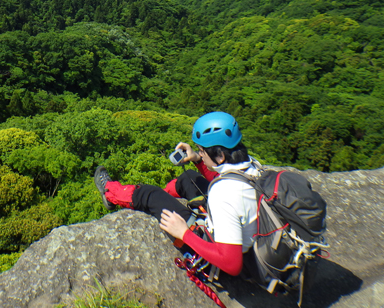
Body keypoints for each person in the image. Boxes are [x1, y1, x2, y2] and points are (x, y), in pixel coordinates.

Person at [94, 111, 261, 277]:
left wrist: (184, 234)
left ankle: (110, 192)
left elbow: (231, 265)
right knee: (188, 178)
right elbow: (223, 175)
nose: (200, 154)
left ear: (220, 155)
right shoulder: (252, 166)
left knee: (150, 194)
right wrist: (196, 158)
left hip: (213, 255)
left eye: (201, 151)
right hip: (246, 237)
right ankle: (163, 198)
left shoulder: (222, 194)